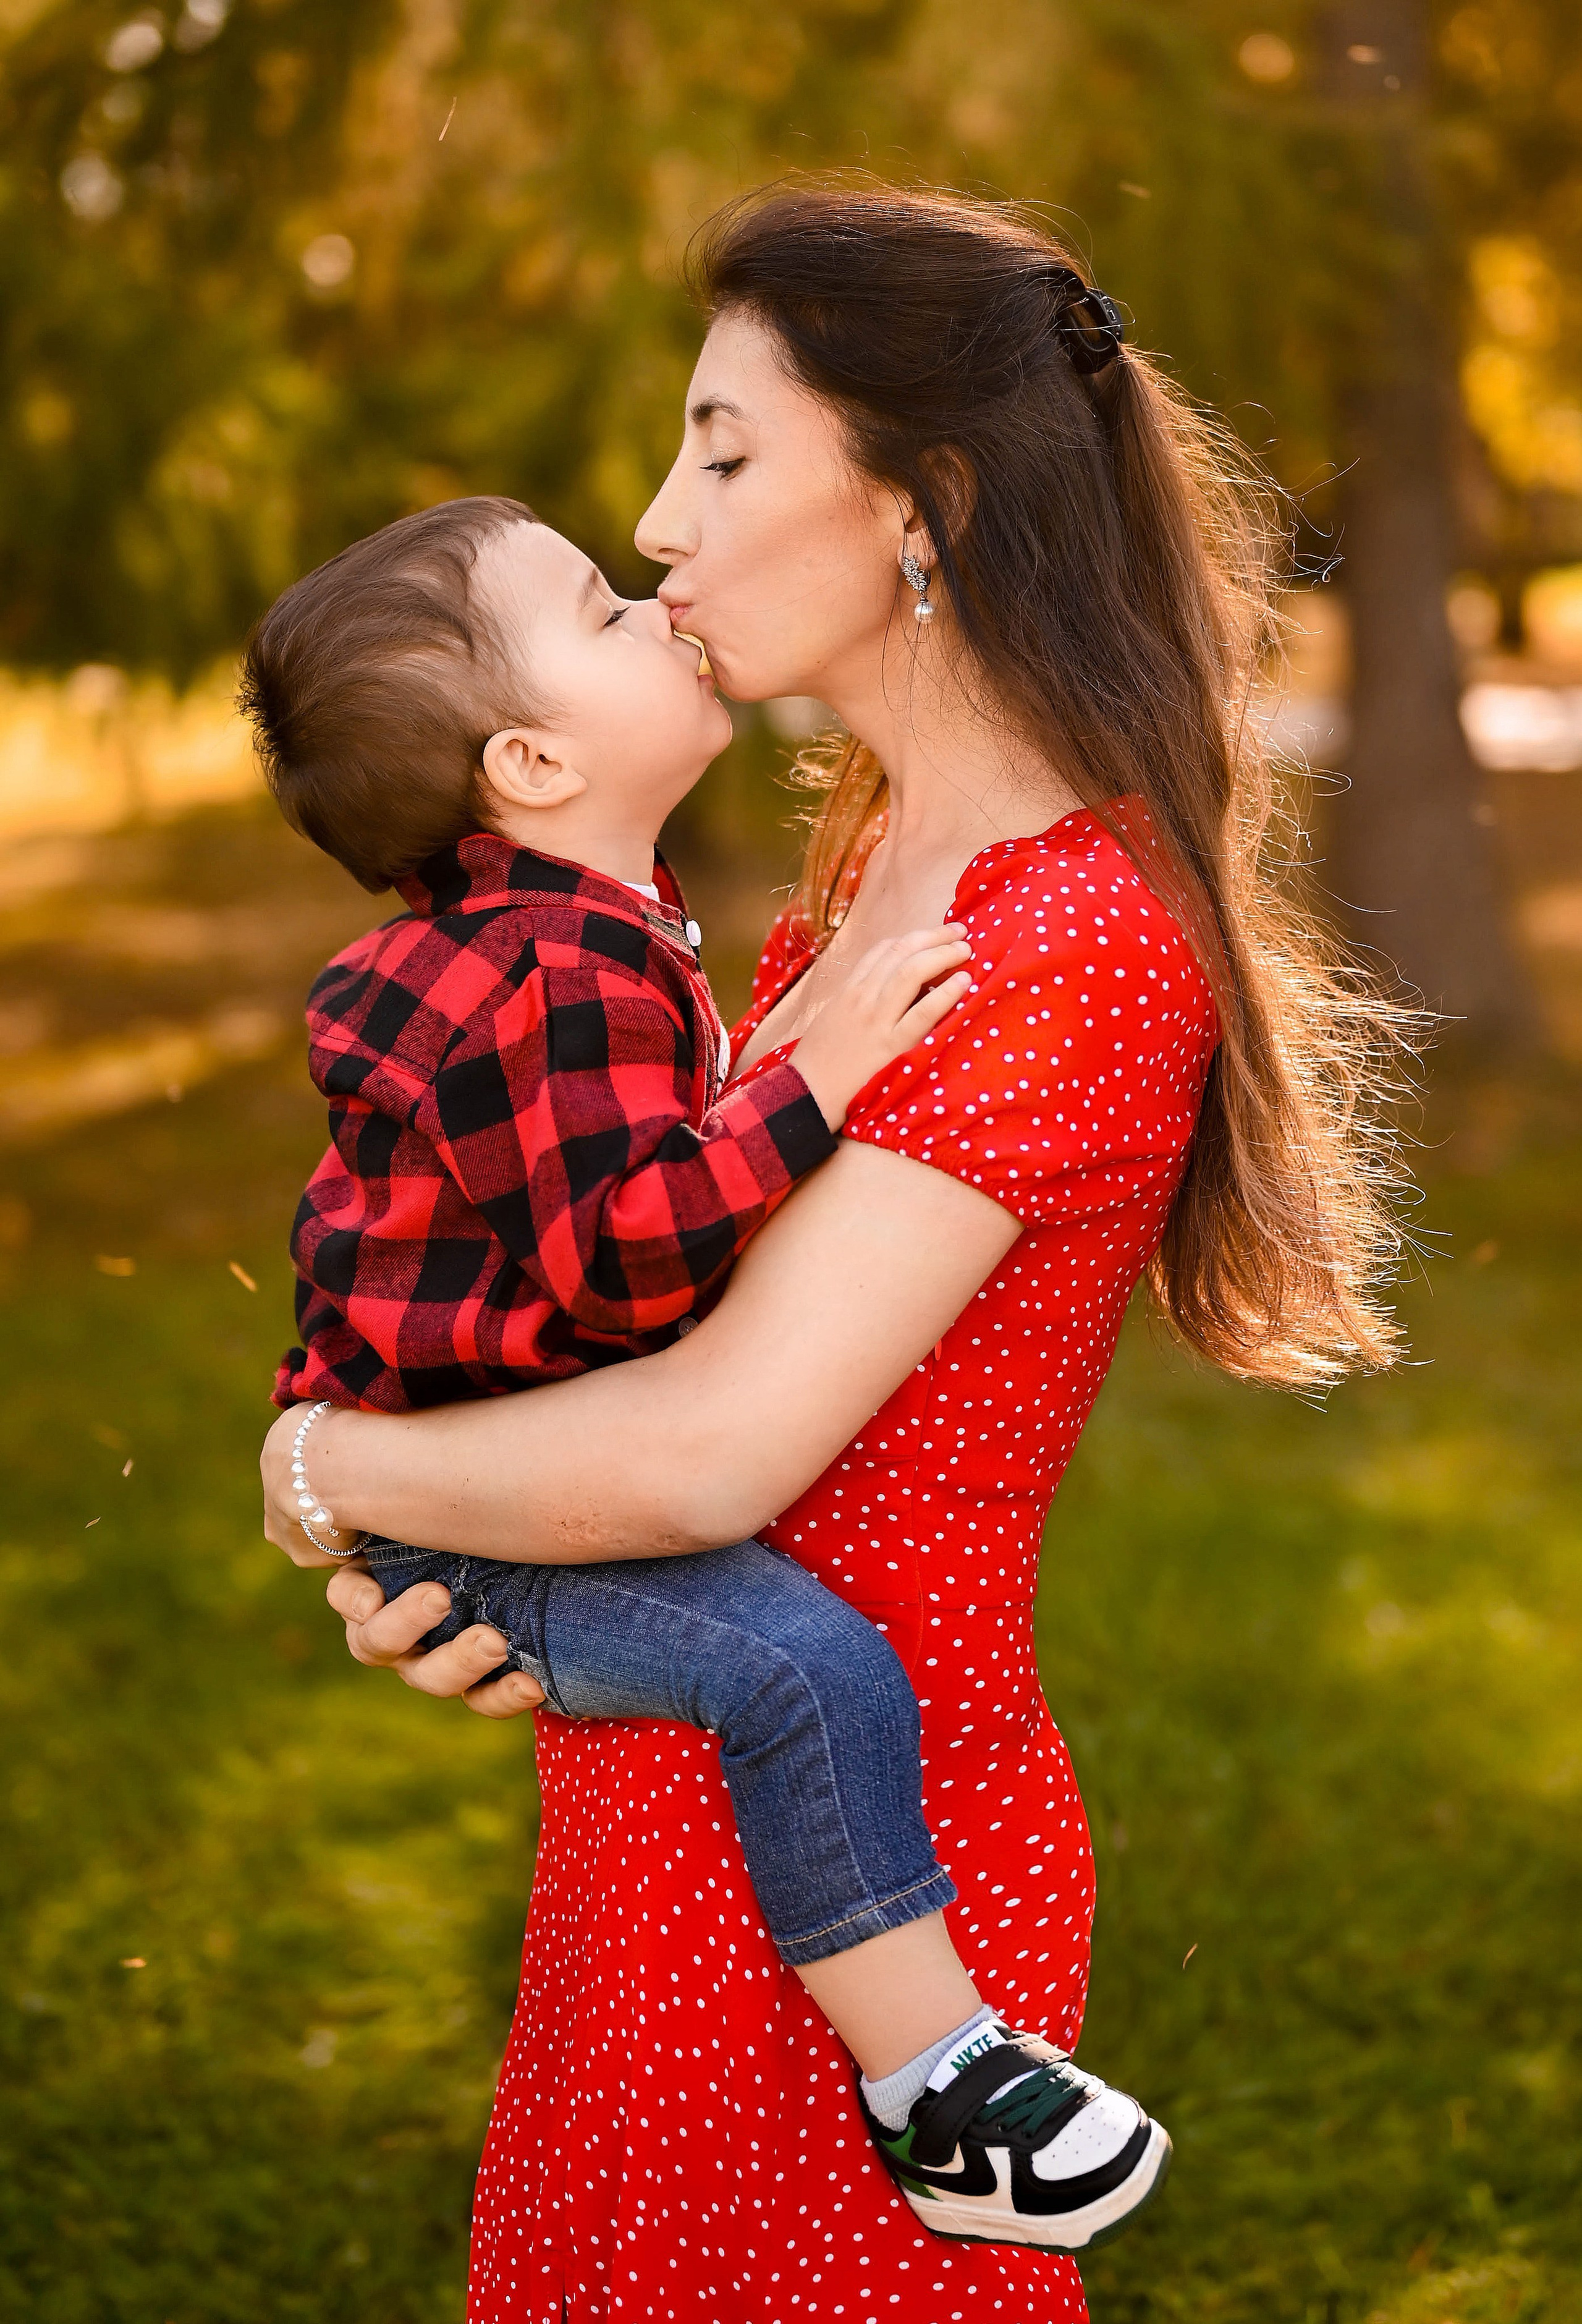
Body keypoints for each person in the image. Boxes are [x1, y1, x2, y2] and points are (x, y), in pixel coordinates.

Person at [261, 180, 1403, 2321]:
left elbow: (706, 1459)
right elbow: (608, 1304)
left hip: (855, 1885)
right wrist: (496, 1581)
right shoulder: (878, 863)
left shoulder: (1055, 941)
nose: (662, 523)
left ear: (923, 505)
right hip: (663, 1810)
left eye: (720, 448)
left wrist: (330, 1474)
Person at [245, 490, 1169, 2253]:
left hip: (513, 1506)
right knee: (800, 1671)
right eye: (599, 609)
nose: (660, 562)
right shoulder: (555, 971)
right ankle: (943, 2082)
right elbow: (627, 1252)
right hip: (521, 1518)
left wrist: (324, 1478)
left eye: (723, 457)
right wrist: (807, 1085)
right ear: (524, 761)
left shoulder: (587, 932)